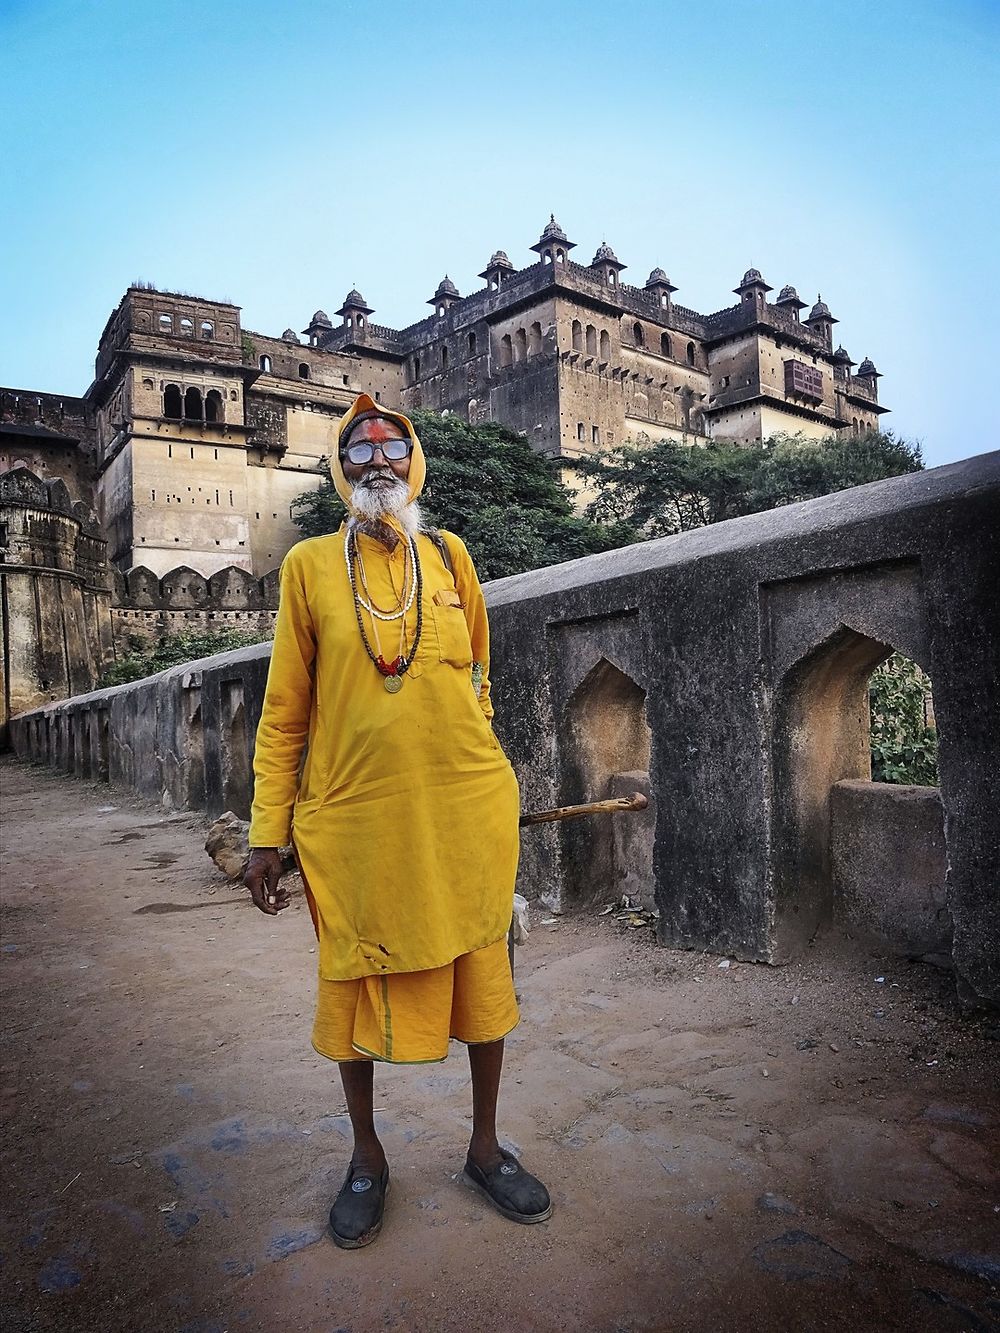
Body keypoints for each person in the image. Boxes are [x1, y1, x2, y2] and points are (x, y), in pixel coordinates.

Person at [244, 393, 551, 1249]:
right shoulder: (308, 568)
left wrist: (477, 770)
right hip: (356, 828)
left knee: (485, 983)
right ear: (340, 472)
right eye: (358, 451)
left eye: (391, 446)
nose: (376, 461)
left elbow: (480, 672)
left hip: (464, 819)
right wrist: (268, 832)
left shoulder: (451, 557)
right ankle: (368, 1156)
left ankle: (486, 1147)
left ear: (413, 462)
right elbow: (284, 712)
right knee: (350, 983)